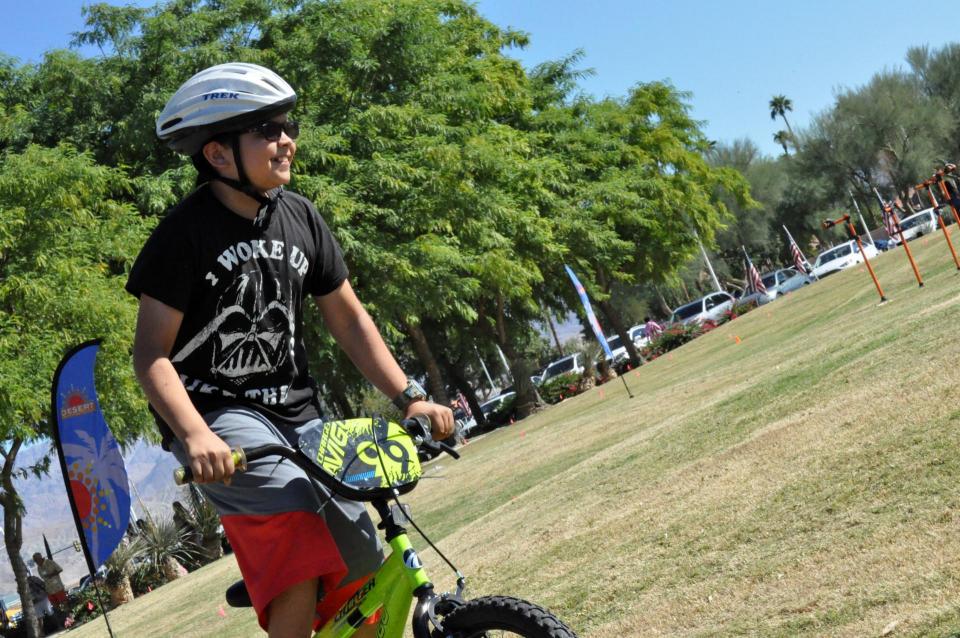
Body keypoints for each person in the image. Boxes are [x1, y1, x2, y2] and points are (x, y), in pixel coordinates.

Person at [126, 62, 453, 638]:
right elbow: (151, 355)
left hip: (299, 415)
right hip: (221, 420)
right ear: (219, 155)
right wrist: (197, 435)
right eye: (266, 130)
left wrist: (410, 396)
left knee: (359, 547)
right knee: (299, 525)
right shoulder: (183, 236)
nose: (286, 140)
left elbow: (349, 318)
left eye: (287, 126)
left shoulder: (300, 216)